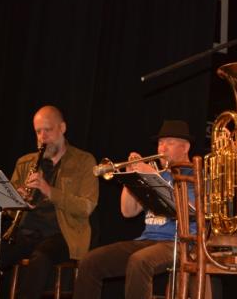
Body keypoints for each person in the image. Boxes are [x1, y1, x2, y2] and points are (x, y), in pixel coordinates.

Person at [0, 105, 99, 299]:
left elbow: (86, 207)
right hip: (26, 233)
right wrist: (16, 200)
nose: (42, 136)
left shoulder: (84, 161)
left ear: (62, 128)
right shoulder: (25, 162)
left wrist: (48, 190)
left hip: (63, 235)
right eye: (38, 131)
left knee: (40, 258)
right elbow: (9, 211)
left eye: (48, 130)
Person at [73, 120, 195, 299]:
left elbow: (188, 211)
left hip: (178, 242)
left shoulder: (194, 174)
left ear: (185, 147)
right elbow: (127, 212)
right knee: (90, 262)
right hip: (147, 240)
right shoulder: (157, 174)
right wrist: (132, 178)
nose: (162, 148)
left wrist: (151, 177)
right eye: (160, 143)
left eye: (169, 142)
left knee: (139, 261)